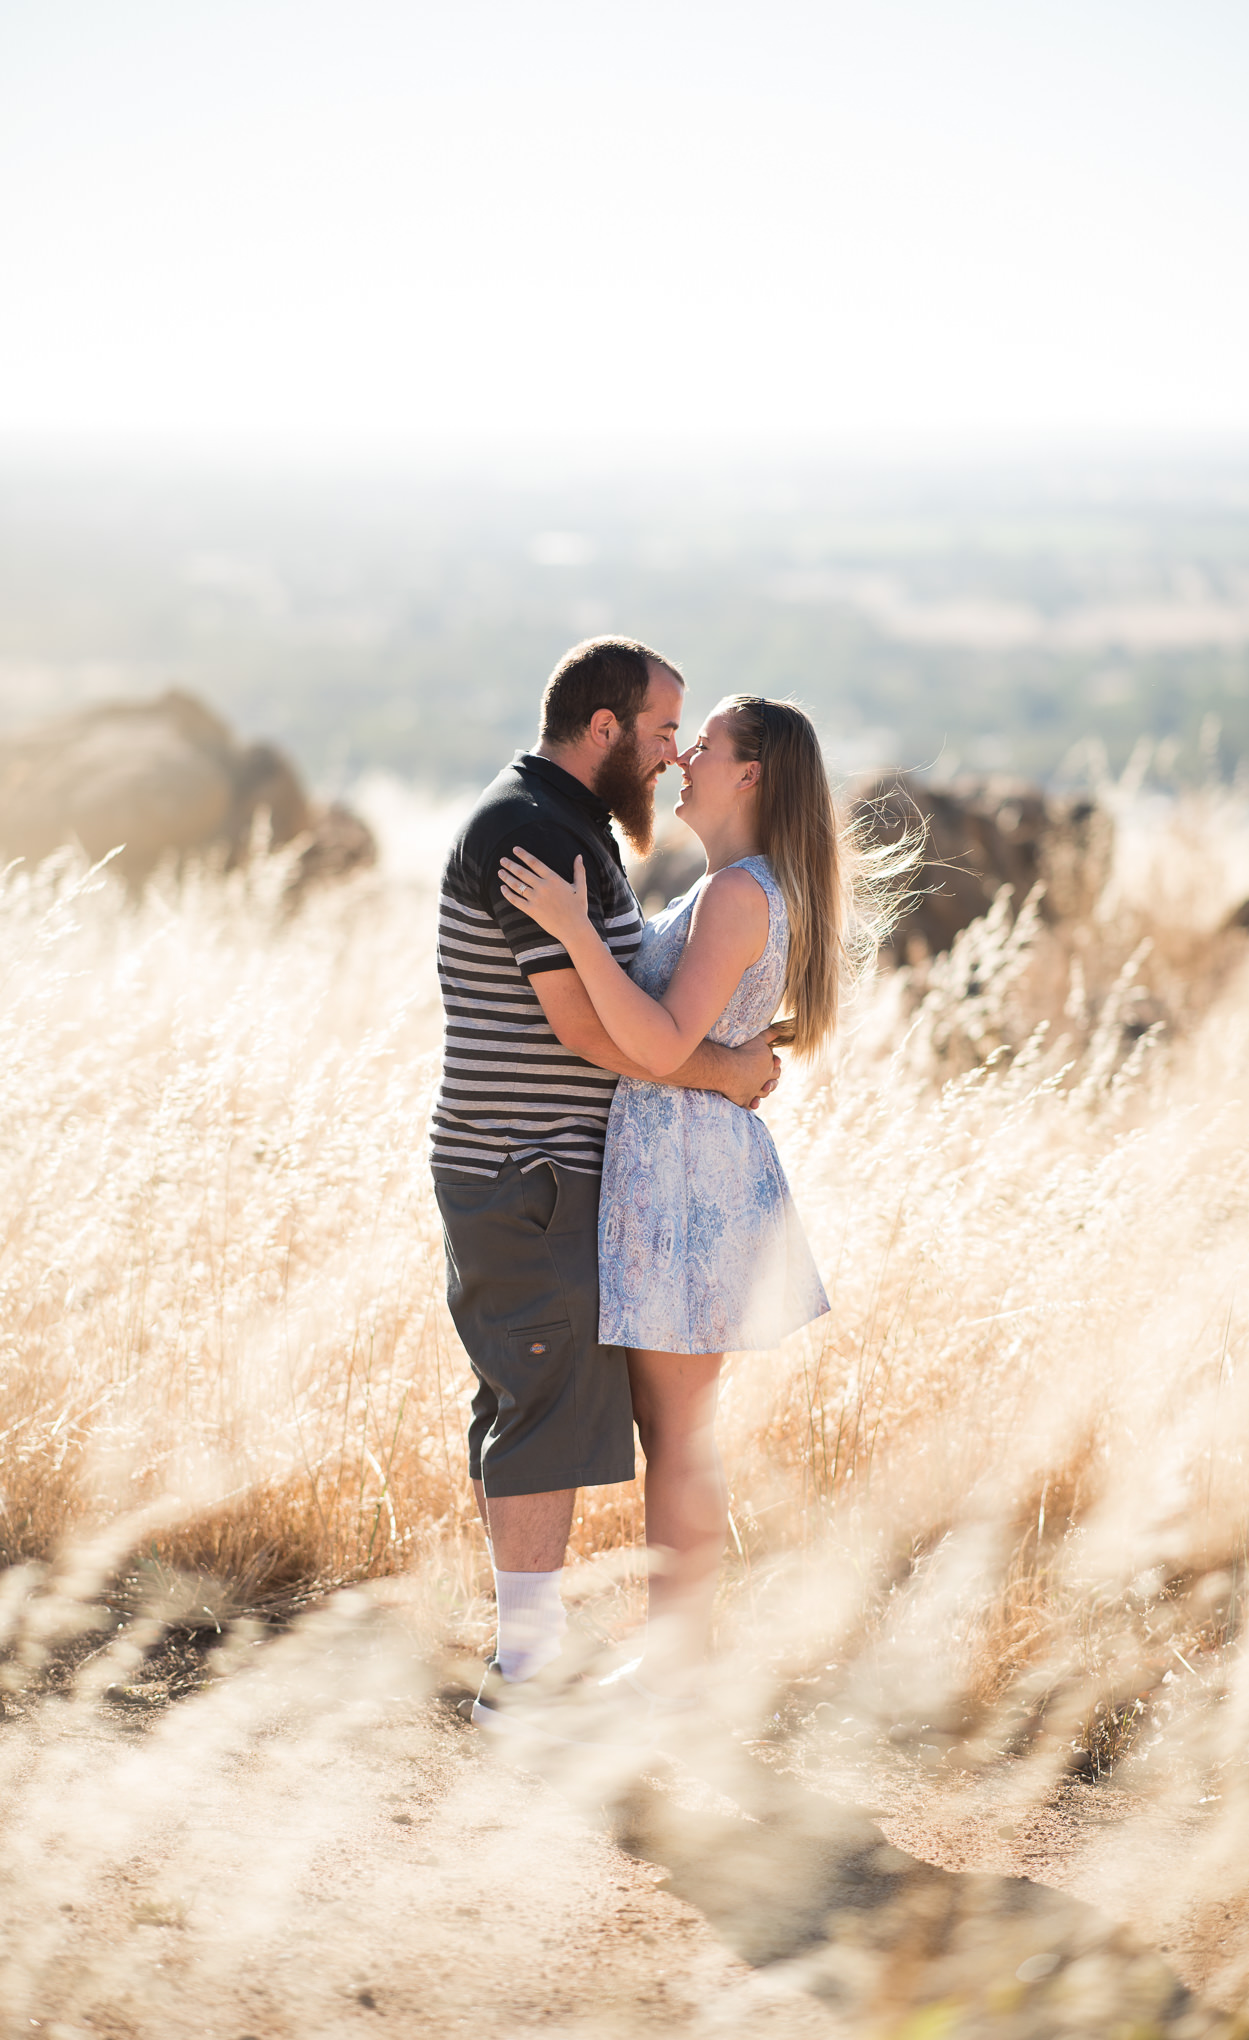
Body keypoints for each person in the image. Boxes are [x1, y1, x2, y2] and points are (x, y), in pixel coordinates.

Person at [429, 638, 781, 1734]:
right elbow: (587, 1026)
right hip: (524, 1166)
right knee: (539, 1399)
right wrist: (727, 1069)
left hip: (538, 1168)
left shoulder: (568, 826)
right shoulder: (536, 832)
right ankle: (527, 1667)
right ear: (603, 729)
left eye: (690, 738)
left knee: (535, 1399)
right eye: (663, 729)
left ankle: (554, 1648)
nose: (672, 753)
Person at [499, 694, 841, 1699]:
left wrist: (569, 927)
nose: (687, 754)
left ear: (751, 774)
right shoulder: (732, 885)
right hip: (681, 1161)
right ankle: (677, 1654)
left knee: (679, 1432)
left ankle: (681, 1662)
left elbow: (654, 1043)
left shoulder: (738, 892)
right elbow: (680, 1042)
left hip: (690, 1172)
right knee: (674, 1427)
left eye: (711, 743)